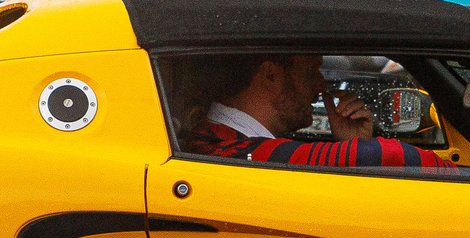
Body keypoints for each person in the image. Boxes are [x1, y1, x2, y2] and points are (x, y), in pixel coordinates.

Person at [176, 52, 453, 170]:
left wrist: (353, 147)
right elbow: (388, 154)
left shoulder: (212, 135)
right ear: (271, 76)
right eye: (310, 71)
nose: (321, 84)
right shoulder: (238, 151)